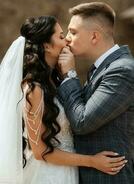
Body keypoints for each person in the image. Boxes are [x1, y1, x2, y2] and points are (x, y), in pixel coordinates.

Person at [0, 16, 126, 184]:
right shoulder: (34, 89)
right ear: (46, 46)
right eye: (60, 36)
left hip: (68, 172)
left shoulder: (55, 80)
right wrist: (92, 161)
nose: (67, 39)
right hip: (49, 176)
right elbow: (40, 151)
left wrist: (68, 74)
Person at [58, 2, 134, 184]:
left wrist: (69, 75)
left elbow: (82, 122)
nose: (67, 39)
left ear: (94, 36)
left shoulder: (122, 71)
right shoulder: (103, 68)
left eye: (73, 32)